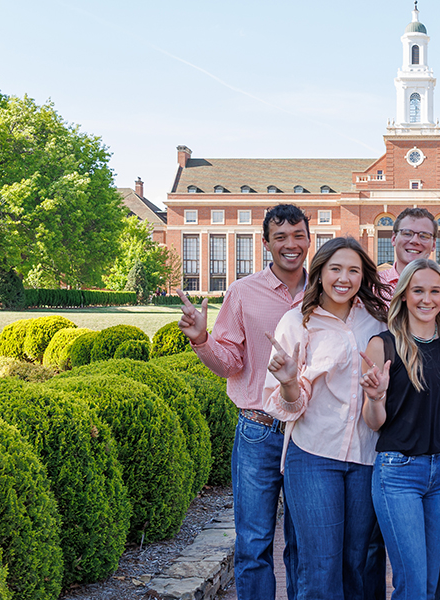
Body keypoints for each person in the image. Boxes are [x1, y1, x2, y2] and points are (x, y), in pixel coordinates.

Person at [177, 203, 309, 600]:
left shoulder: (325, 291)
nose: (291, 244)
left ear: (309, 239)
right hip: (259, 429)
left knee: (304, 544)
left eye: (298, 235)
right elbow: (231, 362)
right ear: (266, 242)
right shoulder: (242, 293)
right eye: (281, 237)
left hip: (310, 432)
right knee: (253, 543)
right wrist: (202, 339)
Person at [263, 236, 390, 600]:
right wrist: (289, 382)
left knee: (358, 564)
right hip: (315, 455)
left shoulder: (377, 322)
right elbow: (288, 406)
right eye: (335, 268)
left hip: (367, 456)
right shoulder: (296, 322)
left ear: (363, 276)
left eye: (353, 270)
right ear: (320, 273)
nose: (344, 278)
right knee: (320, 566)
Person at [359, 258, 440, 600]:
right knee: (413, 582)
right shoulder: (383, 345)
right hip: (397, 472)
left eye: (435, 291)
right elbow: (374, 422)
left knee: (431, 579)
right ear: (404, 295)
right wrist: (375, 398)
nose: (427, 299)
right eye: (418, 290)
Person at [379, 207, 440, 337]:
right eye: (407, 233)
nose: (415, 241)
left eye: (424, 236)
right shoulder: (373, 285)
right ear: (393, 239)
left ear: (433, 244)